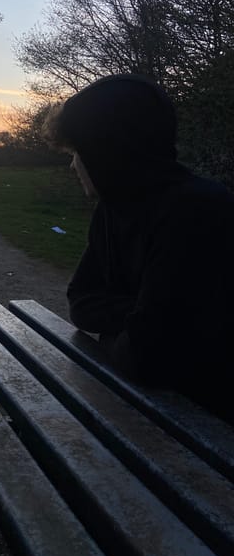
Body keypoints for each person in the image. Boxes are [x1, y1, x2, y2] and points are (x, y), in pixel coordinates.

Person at [44, 73, 234, 424]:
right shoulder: (112, 209)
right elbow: (81, 302)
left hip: (208, 426)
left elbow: (150, 359)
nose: (73, 165)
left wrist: (128, 327)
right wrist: (138, 317)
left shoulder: (197, 210)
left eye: (77, 152)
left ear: (107, 150)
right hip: (143, 407)